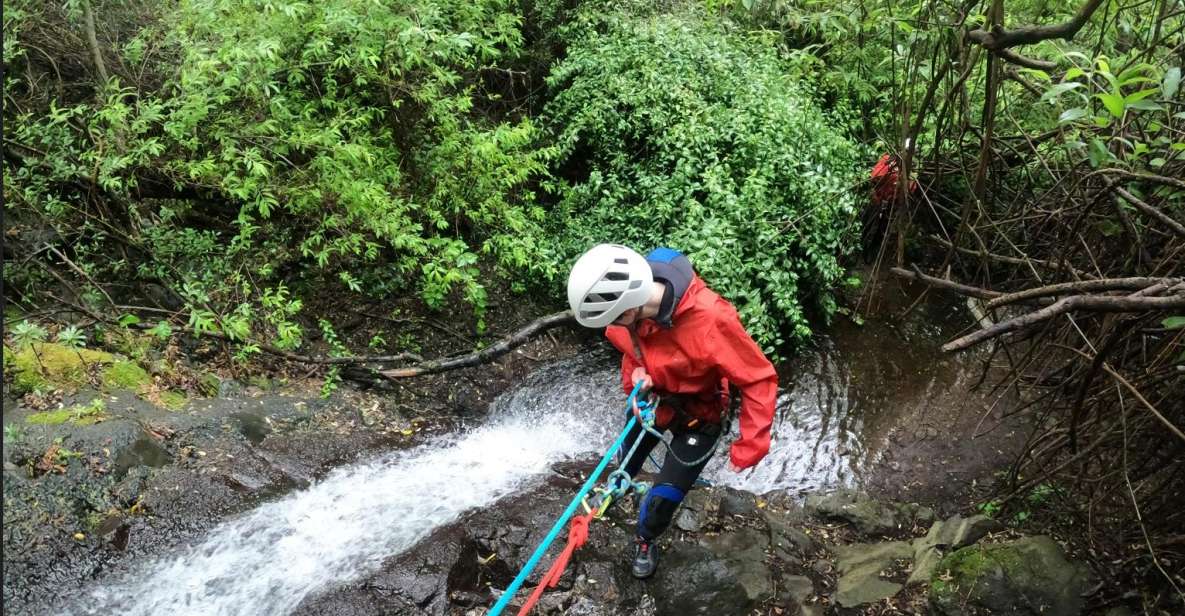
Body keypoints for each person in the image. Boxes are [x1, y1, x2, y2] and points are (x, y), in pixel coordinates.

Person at [566, 243, 777, 579]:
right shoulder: (627, 315)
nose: (613, 327)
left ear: (628, 308)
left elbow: (758, 380)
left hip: (700, 414)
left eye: (614, 319)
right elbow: (631, 352)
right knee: (628, 460)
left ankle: (645, 538)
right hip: (653, 402)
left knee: (665, 496)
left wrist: (751, 443)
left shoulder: (711, 319)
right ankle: (619, 486)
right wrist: (635, 378)